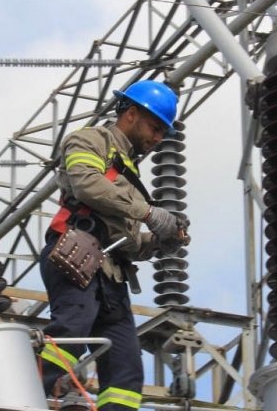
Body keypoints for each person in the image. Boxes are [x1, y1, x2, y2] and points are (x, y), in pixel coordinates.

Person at [38, 79, 189, 411]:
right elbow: (87, 185)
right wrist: (149, 212)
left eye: (163, 133)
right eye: (155, 128)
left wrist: (162, 243)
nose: (158, 139)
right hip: (75, 252)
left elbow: (130, 244)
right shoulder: (90, 140)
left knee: (126, 366)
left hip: (110, 274)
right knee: (72, 329)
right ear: (131, 114)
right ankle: (24, 395)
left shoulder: (130, 175)